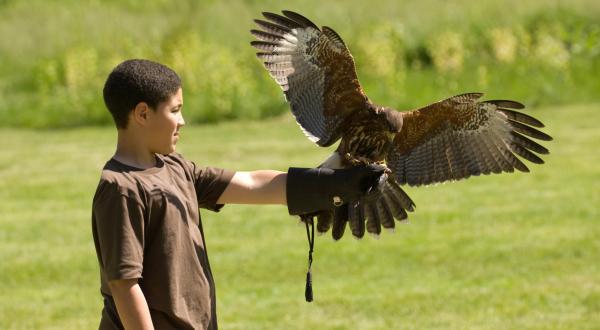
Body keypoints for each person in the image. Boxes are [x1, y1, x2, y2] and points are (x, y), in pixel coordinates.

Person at [92, 59, 385, 329]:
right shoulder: (121, 188)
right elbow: (124, 284)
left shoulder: (175, 167)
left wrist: (334, 185)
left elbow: (252, 183)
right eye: (175, 110)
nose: (182, 121)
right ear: (143, 113)